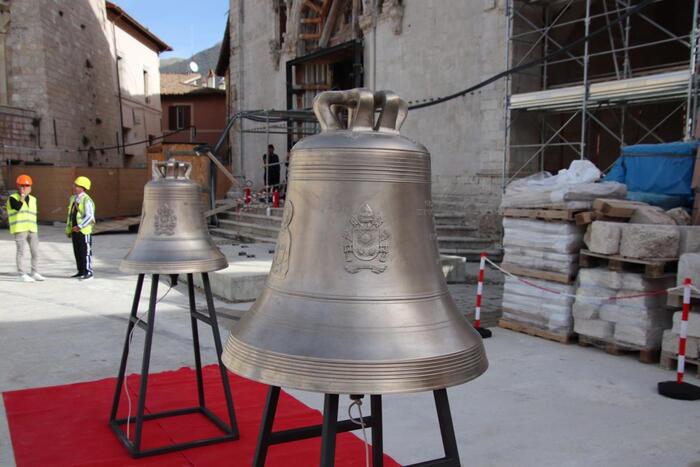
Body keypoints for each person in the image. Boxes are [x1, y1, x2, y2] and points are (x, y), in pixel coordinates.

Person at [6, 174, 44, 282]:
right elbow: (17, 208)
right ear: (18, 186)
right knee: (21, 252)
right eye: (22, 185)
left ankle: (34, 272)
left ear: (30, 187)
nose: (24, 188)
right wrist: (22, 196)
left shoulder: (33, 199)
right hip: (20, 229)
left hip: (32, 228)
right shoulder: (12, 198)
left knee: (35, 251)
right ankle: (22, 273)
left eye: (26, 186)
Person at [66, 176, 95, 280]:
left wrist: (80, 226)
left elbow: (90, 216)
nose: (74, 187)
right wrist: (69, 229)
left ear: (83, 187)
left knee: (85, 252)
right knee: (77, 251)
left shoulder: (87, 200)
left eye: (77, 185)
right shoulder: (73, 198)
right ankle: (81, 271)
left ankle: (88, 271)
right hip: (75, 230)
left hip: (83, 231)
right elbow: (70, 215)